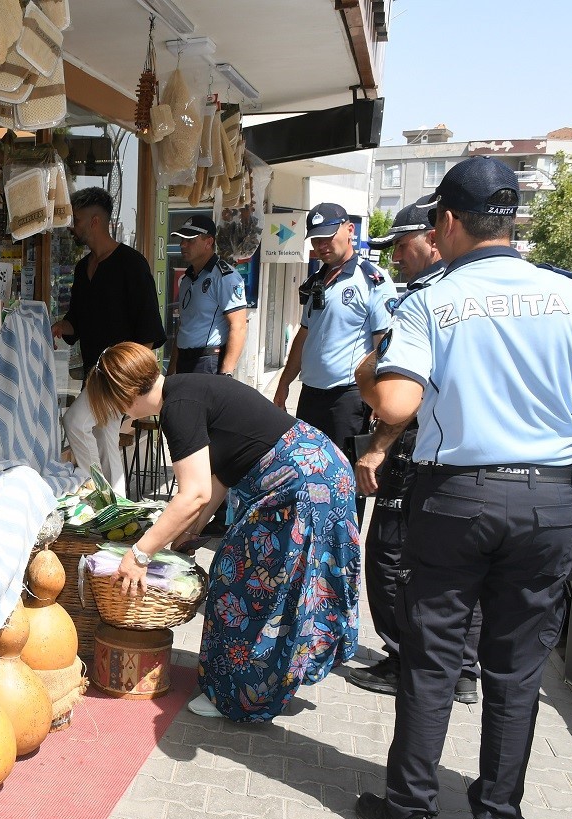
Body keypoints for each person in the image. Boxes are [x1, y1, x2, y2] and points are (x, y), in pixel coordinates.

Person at [353, 156, 572, 819]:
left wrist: (368, 369)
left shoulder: (429, 303)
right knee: (516, 670)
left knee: (432, 659)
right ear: (510, 220)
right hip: (545, 503)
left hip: (457, 501)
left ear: (447, 221)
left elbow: (395, 404)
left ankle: (411, 815)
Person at [84, 342, 360, 722]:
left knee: (239, 582)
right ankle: (281, 674)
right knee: (292, 581)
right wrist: (187, 533)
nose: (118, 415)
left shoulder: (176, 409)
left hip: (299, 486)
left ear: (124, 395)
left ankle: (236, 696)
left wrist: (139, 554)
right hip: (322, 471)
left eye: (113, 405)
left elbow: (193, 493)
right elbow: (216, 479)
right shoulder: (186, 389)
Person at [349, 198, 481, 704]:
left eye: (402, 246)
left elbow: (400, 399)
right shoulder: (481, 290)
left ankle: (404, 658)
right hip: (485, 467)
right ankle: (463, 669)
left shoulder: (427, 301)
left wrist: (377, 446)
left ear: (435, 235)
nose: (396, 259)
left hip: (417, 448)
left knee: (389, 555)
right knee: (462, 570)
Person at [272, 203, 399, 518]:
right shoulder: (318, 280)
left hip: (348, 398)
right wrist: (284, 383)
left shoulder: (372, 280)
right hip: (311, 395)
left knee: (343, 482)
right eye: (315, 240)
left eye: (328, 237)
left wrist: (380, 403)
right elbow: (305, 334)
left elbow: (384, 344)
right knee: (308, 476)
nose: (322, 246)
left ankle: (343, 553)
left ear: (350, 230)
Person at [51, 187, 165, 495]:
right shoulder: (81, 268)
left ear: (96, 221)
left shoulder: (132, 264)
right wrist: (62, 326)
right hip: (93, 371)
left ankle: (96, 492)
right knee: (104, 436)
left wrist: (134, 385)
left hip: (120, 376)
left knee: (75, 422)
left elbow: (149, 331)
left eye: (76, 219)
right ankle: (115, 505)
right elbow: (78, 320)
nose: (72, 226)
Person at [169, 215, 247, 376]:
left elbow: (238, 326)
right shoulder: (186, 279)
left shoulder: (225, 277)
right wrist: (171, 370)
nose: (183, 245)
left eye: (190, 240)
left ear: (208, 242)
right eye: (181, 240)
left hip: (207, 361)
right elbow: (184, 326)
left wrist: (226, 374)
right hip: (184, 360)